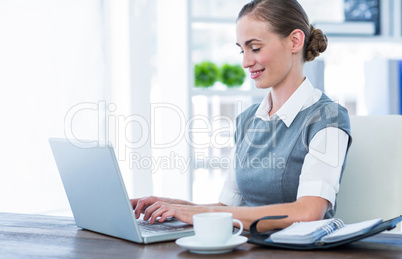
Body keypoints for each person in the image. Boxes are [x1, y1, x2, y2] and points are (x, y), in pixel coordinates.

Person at [131, 0, 352, 232]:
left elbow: (309, 212)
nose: (246, 62)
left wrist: (200, 213)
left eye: (255, 48)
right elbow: (228, 207)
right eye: (242, 50)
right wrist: (170, 206)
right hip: (248, 250)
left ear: (295, 41)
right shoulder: (248, 120)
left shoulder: (327, 118)